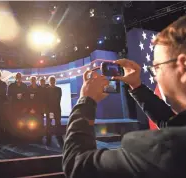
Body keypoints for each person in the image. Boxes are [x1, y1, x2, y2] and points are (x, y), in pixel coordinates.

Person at [62, 16, 186, 177]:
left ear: (182, 66)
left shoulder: (163, 150)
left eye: (156, 67)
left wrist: (86, 101)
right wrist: (136, 86)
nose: (155, 76)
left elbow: (78, 164)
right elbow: (171, 124)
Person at [46, 76, 63, 145]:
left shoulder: (59, 89)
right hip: (50, 110)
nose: (52, 82)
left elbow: (58, 99)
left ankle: (59, 137)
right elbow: (46, 100)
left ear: (55, 81)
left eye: (53, 80)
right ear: (49, 81)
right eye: (51, 80)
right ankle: (48, 139)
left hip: (57, 109)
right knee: (49, 124)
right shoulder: (46, 90)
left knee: (58, 124)